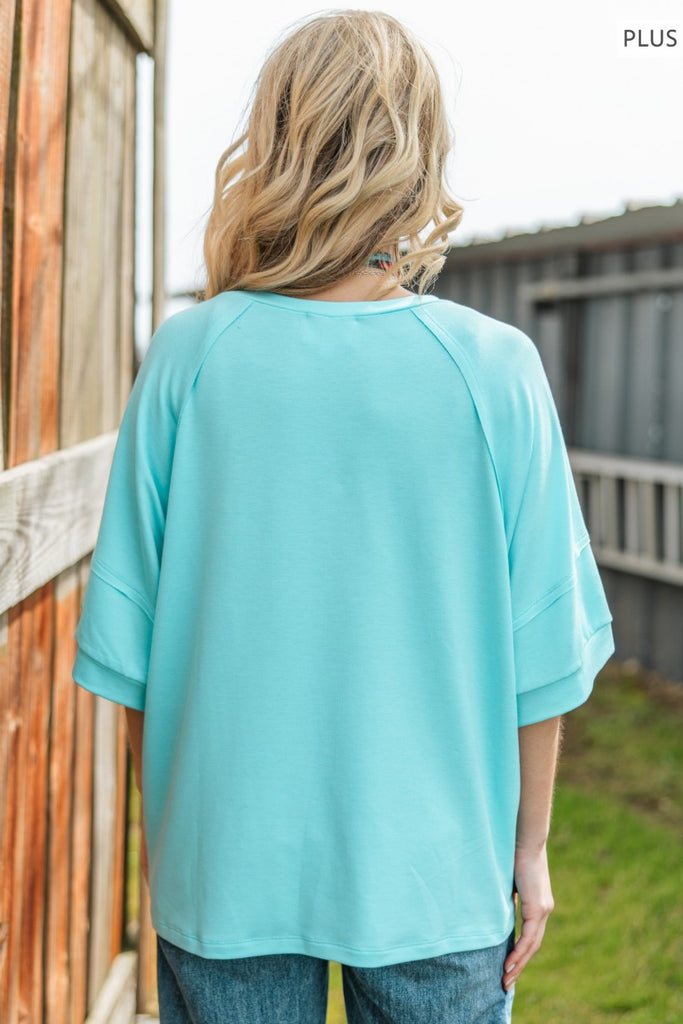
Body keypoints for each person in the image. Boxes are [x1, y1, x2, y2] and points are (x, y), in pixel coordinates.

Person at [72, 9, 615, 1023]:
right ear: (416, 155)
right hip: (437, 876)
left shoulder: (188, 357)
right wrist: (529, 850)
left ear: (274, 144)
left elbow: (133, 648)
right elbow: (542, 656)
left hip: (222, 866)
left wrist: (169, 854)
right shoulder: (493, 371)